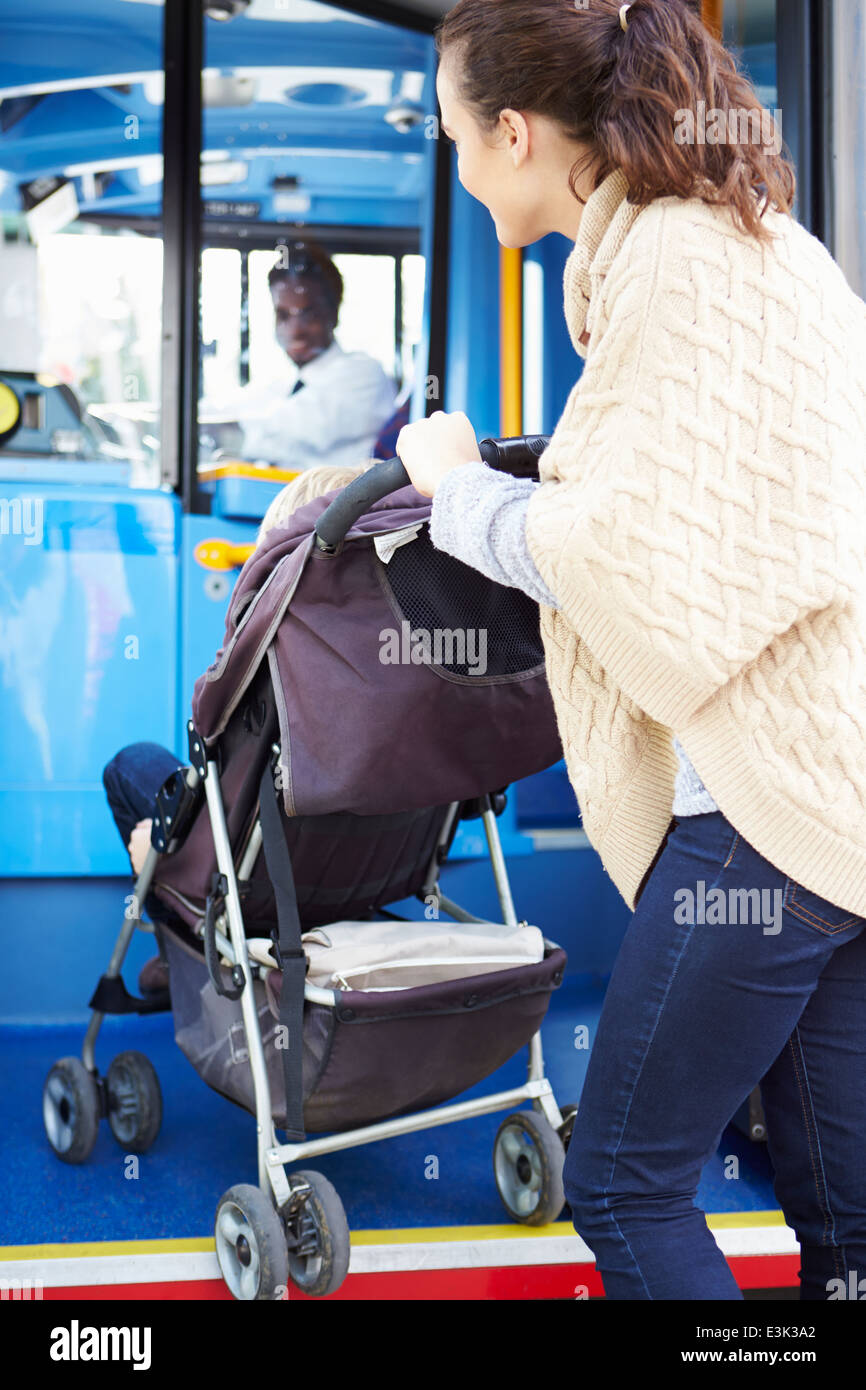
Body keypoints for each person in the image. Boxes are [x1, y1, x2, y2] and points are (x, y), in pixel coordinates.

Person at [392, 0, 866, 1300]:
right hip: (838, 802)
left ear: (511, 132)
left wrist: (451, 485)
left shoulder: (665, 261)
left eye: (451, 135)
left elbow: (618, 559)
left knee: (618, 1181)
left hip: (761, 817)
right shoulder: (757, 245)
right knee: (843, 1220)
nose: (456, 164)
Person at [103, 460, 373, 995]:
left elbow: (210, 734)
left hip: (256, 869)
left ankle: (183, 952)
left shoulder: (273, 650)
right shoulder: (425, 658)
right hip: (374, 869)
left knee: (133, 765)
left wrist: (164, 841)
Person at [217, 240, 397, 471]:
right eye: (283, 316)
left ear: (333, 314)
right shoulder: (283, 385)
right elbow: (235, 410)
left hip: (342, 495)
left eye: (308, 315)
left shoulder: (365, 376)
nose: (295, 331)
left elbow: (286, 431)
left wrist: (220, 434)